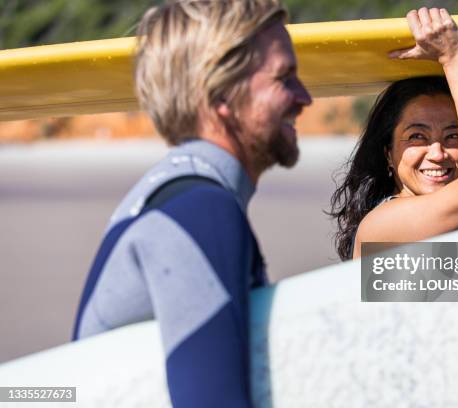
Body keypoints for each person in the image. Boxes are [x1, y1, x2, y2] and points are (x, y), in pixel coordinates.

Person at [72, 0, 311, 407]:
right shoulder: (201, 211)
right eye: (284, 78)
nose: (304, 97)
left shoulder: (172, 194)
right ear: (222, 95)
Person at [330, 7, 458, 260]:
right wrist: (455, 56)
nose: (438, 153)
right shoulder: (382, 226)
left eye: (453, 136)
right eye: (417, 136)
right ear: (388, 155)